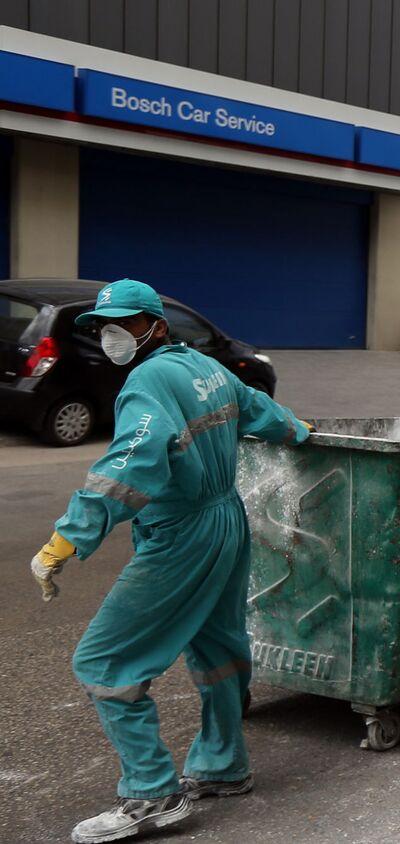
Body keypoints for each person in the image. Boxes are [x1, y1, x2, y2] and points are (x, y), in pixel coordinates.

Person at [27, 279, 311, 844]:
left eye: (125, 324)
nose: (111, 336)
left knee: (105, 662)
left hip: (181, 532)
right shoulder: (204, 367)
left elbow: (126, 468)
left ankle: (152, 792)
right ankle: (222, 765)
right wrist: (301, 431)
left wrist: (66, 540)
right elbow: (263, 412)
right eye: (103, 327)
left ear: (155, 325)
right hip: (225, 521)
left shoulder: (147, 382)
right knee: (218, 647)